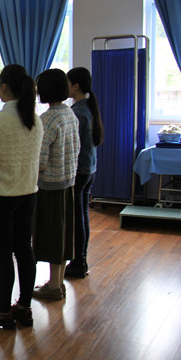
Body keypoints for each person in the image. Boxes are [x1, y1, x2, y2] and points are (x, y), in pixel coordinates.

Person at [0, 64, 44, 329]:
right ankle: (24, 308)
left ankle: (3, 310)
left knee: (3, 256)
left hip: (0, 197)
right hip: (28, 194)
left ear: (4, 87)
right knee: (25, 251)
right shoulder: (35, 119)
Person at [32, 69, 80, 300]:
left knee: (51, 236)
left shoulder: (48, 119)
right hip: (68, 184)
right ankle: (57, 283)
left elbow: (40, 161)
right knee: (63, 235)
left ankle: (53, 286)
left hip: (50, 186)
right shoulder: (70, 114)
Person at [65, 67, 104, 278]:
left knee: (77, 218)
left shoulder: (77, 112)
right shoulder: (88, 107)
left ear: (76, 86)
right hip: (90, 169)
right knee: (83, 215)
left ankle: (78, 261)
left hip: (79, 171)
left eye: (68, 82)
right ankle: (81, 259)